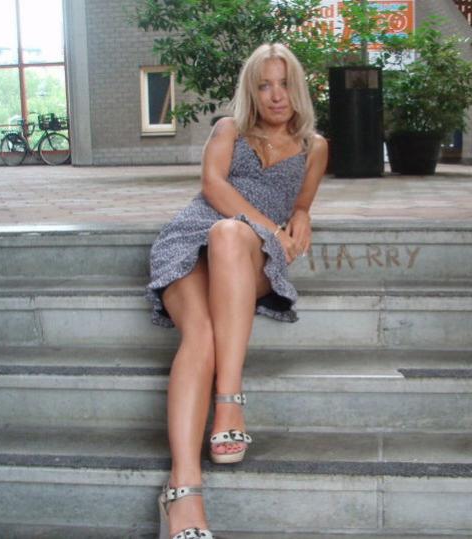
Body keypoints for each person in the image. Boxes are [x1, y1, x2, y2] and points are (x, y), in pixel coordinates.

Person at [145, 43, 328, 539]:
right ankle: (183, 489)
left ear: (298, 88)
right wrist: (272, 227)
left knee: (230, 236)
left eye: (284, 84)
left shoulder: (314, 147)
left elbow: (303, 202)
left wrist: (301, 216)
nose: (276, 95)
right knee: (200, 333)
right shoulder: (229, 130)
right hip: (191, 238)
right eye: (264, 85)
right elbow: (213, 187)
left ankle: (227, 400)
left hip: (251, 256)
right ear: (251, 90)